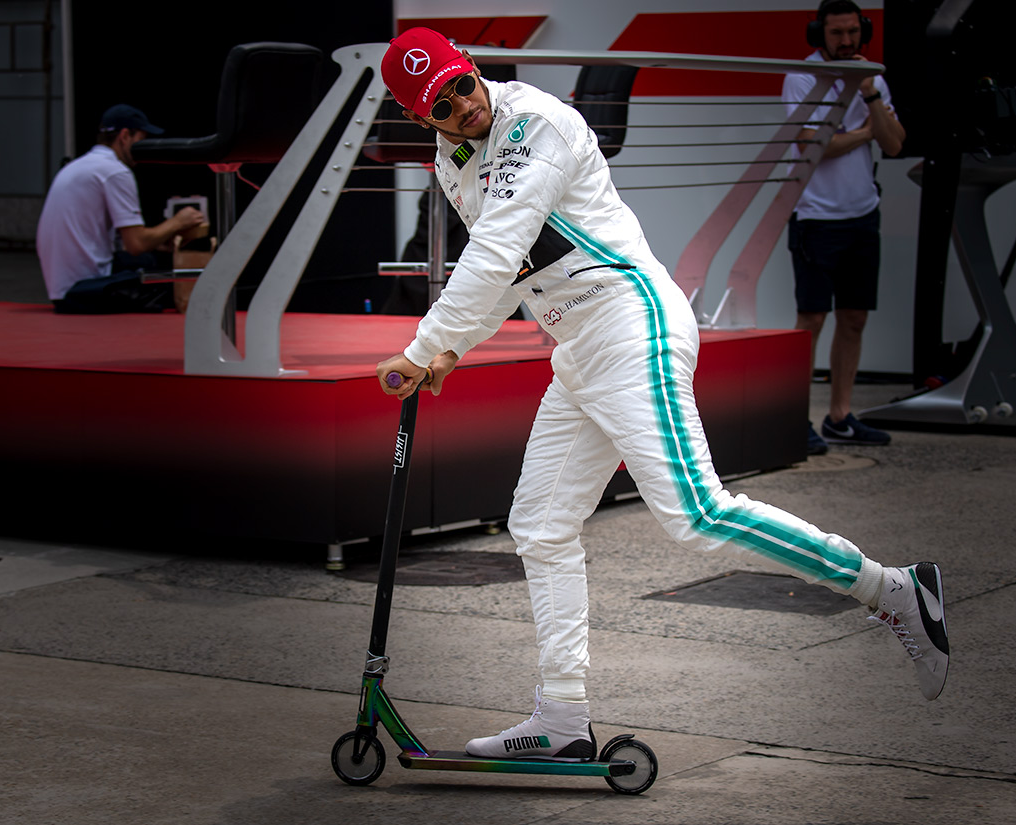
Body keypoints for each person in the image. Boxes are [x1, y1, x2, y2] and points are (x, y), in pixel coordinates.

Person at [373, 27, 948, 761]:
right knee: (541, 525)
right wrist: (450, 348)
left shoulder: (533, 123)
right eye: (441, 104)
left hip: (630, 323)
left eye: (462, 85)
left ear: (473, 71)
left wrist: (423, 347)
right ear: (421, 117)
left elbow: (493, 250)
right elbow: (511, 272)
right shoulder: (452, 162)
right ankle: (561, 715)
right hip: (580, 347)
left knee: (698, 513)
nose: (461, 106)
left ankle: (893, 589)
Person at [783, 0, 905, 454]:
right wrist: (868, 130)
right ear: (821, 34)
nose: (847, 41)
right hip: (816, 217)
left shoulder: (872, 77)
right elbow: (815, 147)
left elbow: (893, 144)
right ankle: (797, 419)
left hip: (862, 215)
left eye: (853, 31)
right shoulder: (801, 77)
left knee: (853, 318)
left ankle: (840, 417)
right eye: (837, 33)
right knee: (810, 320)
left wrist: (870, 95)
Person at [36, 104, 207, 314]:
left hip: (63, 287)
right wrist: (178, 222)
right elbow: (135, 244)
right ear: (125, 136)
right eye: (140, 140)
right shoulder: (115, 172)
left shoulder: (80, 165)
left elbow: (123, 242)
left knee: (148, 258)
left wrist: (159, 241)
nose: (143, 149)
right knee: (159, 269)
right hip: (87, 289)